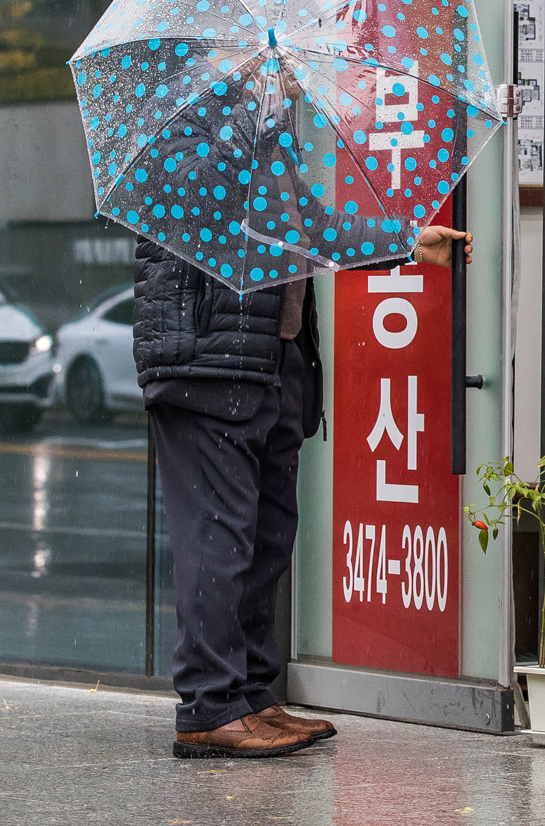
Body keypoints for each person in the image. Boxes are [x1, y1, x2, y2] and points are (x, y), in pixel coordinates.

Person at [135, 225, 472, 758]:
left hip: (271, 355)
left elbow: (308, 228)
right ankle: (208, 705)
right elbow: (276, 225)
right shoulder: (184, 141)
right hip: (208, 358)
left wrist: (408, 244)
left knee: (266, 537)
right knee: (216, 538)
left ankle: (245, 692)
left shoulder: (267, 142)